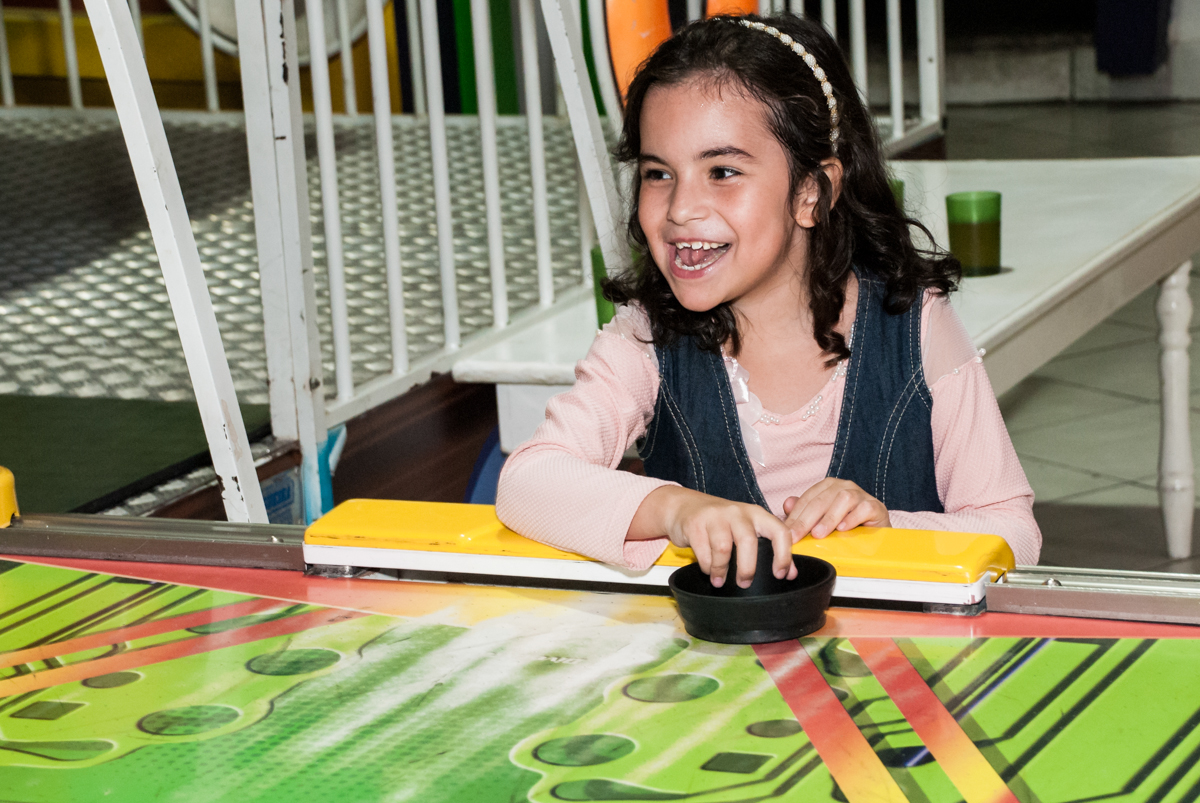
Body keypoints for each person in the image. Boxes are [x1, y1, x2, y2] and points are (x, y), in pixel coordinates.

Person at [496, 14, 1041, 590]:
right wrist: (676, 509)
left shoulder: (917, 326)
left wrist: (890, 527)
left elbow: (1015, 533)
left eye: (722, 171)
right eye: (659, 173)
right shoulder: (645, 338)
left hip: (901, 663)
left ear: (812, 192)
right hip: (718, 669)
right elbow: (529, 480)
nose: (681, 207)